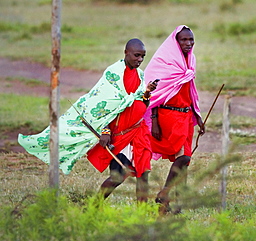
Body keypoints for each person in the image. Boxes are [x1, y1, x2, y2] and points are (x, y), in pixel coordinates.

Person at [18, 38, 157, 202]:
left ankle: (142, 213)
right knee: (118, 176)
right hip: (120, 134)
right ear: (126, 53)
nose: (140, 60)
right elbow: (101, 105)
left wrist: (147, 92)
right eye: (136, 55)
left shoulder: (140, 76)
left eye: (143, 56)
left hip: (138, 132)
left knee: (143, 174)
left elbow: (143, 102)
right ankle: (94, 204)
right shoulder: (113, 74)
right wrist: (105, 130)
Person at [143, 25, 205, 214]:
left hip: (186, 116)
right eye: (184, 40)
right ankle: (165, 193)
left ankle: (173, 204)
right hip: (168, 116)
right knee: (183, 157)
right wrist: (154, 120)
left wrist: (198, 117)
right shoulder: (164, 62)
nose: (188, 43)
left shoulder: (190, 60)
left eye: (191, 40)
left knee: (184, 162)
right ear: (175, 42)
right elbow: (154, 95)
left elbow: (190, 92)